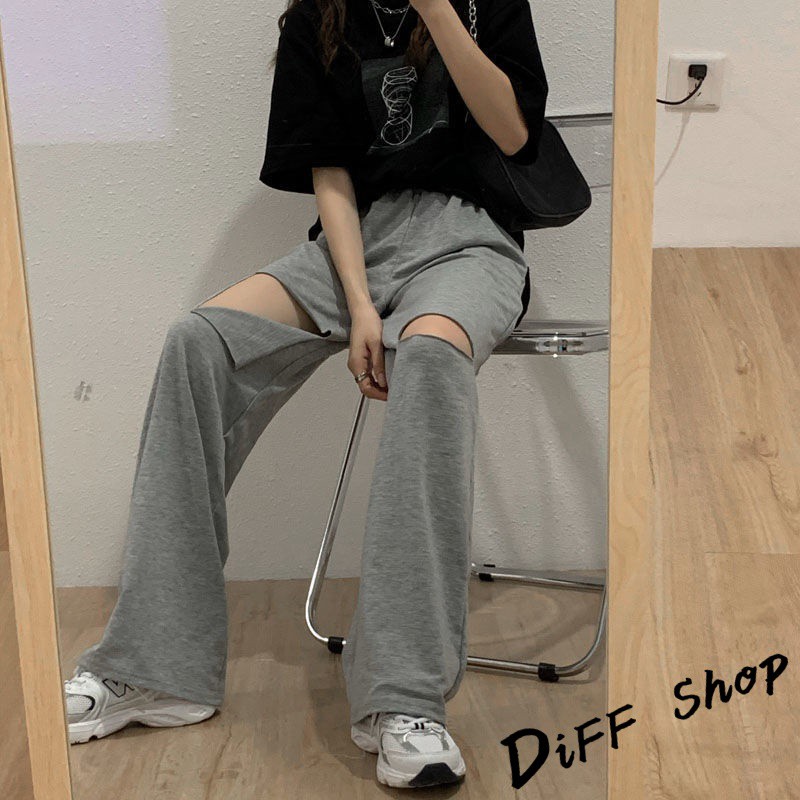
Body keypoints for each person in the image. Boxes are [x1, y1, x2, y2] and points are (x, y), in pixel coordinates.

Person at [64, 0, 548, 789]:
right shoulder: (316, 19)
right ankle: (157, 668)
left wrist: (438, 10)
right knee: (198, 344)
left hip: (473, 241)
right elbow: (331, 174)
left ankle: (403, 699)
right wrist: (359, 305)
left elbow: (514, 133)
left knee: (430, 356)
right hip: (358, 244)